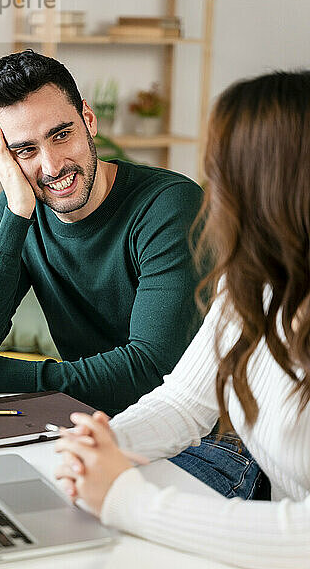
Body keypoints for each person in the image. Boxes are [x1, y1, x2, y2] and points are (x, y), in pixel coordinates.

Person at [0, 50, 262, 500]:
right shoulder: (18, 211)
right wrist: (18, 207)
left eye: (61, 135)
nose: (52, 166)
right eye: (25, 150)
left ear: (88, 119)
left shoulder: (168, 207)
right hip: (100, 425)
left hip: (211, 439)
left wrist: (0, 374)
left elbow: (152, 370)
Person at [54, 70, 310, 568]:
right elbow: (185, 402)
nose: (211, 193)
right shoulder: (258, 285)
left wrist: (128, 499)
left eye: (221, 174)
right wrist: (105, 445)